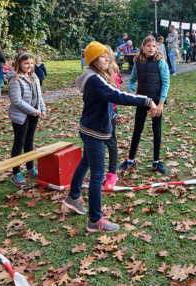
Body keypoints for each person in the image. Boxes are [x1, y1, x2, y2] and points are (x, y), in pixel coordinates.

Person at [64, 42, 155, 233]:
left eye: (107, 56)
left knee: (85, 163)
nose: (106, 59)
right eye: (102, 57)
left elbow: (98, 104)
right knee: (98, 174)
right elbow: (117, 95)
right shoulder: (96, 79)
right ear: (94, 61)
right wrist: (146, 100)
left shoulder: (96, 77)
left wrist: (113, 116)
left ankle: (73, 196)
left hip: (91, 128)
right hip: (93, 132)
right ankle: (95, 220)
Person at [121, 36, 171, 174]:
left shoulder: (161, 62)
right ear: (143, 47)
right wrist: (131, 91)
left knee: (157, 130)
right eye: (148, 46)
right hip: (142, 101)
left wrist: (161, 103)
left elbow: (166, 83)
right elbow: (132, 80)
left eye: (153, 46)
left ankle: (156, 161)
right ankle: (131, 160)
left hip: (156, 102)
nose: (151, 48)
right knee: (137, 129)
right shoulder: (137, 63)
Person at [7, 52, 46, 186]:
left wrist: (42, 109)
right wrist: (34, 111)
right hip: (20, 115)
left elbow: (39, 96)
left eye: (30, 63)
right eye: (26, 63)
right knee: (19, 142)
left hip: (33, 114)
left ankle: (30, 168)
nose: (29, 66)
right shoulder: (14, 79)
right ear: (19, 64)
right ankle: (16, 173)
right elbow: (17, 101)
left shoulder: (33, 76)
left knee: (29, 141)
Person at [104, 49, 127, 190]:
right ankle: (100, 171)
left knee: (111, 141)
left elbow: (117, 92)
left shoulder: (113, 70)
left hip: (111, 110)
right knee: (99, 142)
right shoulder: (95, 73)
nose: (104, 59)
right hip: (98, 113)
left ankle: (112, 172)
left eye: (106, 57)